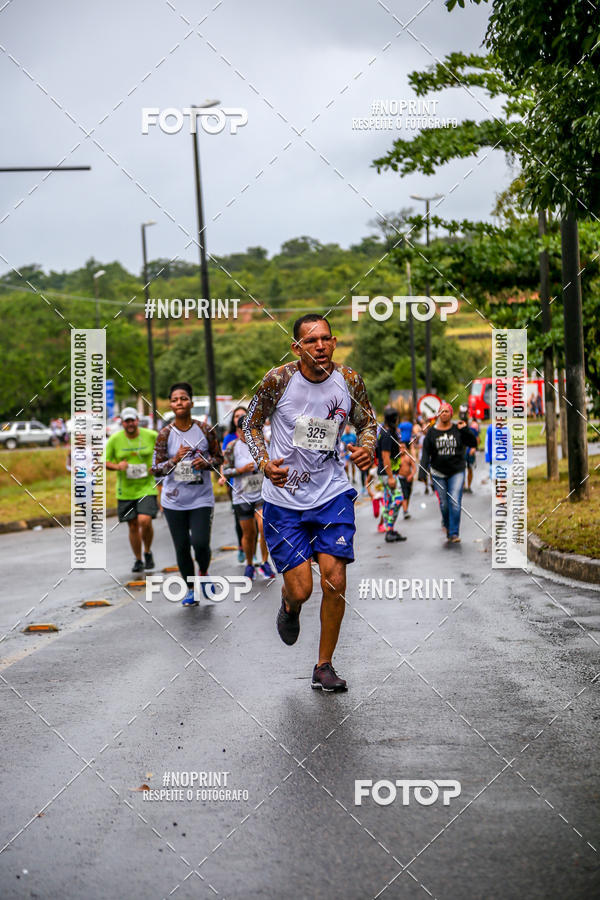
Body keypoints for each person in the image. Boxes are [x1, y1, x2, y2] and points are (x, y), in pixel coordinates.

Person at [244, 314, 376, 692]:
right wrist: (264, 462)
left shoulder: (348, 381)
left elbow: (367, 423)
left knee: (334, 580)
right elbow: (250, 424)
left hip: (331, 492)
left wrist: (366, 448)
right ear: (297, 347)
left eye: (326, 339)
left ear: (333, 343)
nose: (319, 346)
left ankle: (324, 665)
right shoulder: (278, 380)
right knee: (302, 588)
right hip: (284, 500)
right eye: (311, 340)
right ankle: (289, 605)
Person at [152, 383, 223, 605]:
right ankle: (191, 589)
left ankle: (203, 571)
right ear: (171, 405)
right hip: (174, 500)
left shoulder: (205, 430)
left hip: (201, 497)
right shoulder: (164, 434)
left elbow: (219, 458)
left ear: (191, 403)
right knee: (182, 546)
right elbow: (155, 468)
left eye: (183, 398)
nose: (179, 403)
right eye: (174, 400)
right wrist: (174, 460)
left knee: (201, 543)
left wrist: (206, 462)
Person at [103, 408, 159, 573]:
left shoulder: (151, 435)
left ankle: (147, 551)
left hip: (146, 486)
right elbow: (105, 461)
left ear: (137, 421)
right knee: (133, 526)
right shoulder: (114, 439)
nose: (130, 424)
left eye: (132, 420)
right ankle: (138, 559)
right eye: (126, 421)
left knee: (145, 521)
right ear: (122, 422)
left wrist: (157, 466)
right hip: (125, 490)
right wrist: (117, 466)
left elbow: (164, 451)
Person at [222, 416, 275, 580]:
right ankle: (250, 564)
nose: (247, 434)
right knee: (249, 533)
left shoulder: (262, 444)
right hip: (242, 496)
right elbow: (225, 471)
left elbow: (272, 463)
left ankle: (265, 563)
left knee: (263, 526)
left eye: (250, 430)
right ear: (238, 431)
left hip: (261, 494)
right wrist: (241, 469)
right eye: (243, 431)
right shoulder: (232, 447)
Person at [420, 402, 477, 543]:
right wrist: (422, 474)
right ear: (438, 414)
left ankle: (453, 533)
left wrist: (465, 430)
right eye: (441, 411)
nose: (444, 413)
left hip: (456, 471)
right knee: (444, 504)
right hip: (438, 473)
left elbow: (473, 443)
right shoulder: (432, 433)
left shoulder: (458, 429)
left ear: (451, 414)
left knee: (455, 502)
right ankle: (446, 524)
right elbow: (426, 454)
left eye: (446, 411)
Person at [375, 406, 407, 542]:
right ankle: (389, 528)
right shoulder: (387, 434)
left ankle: (390, 531)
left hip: (387, 472)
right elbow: (385, 456)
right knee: (398, 499)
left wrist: (400, 451)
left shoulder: (385, 432)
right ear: (394, 419)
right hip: (388, 473)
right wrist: (390, 477)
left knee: (388, 502)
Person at [221, 405, 248, 563]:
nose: (239, 418)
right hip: (236, 484)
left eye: (242, 415)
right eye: (236, 416)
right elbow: (225, 462)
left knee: (258, 522)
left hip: (256, 486)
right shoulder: (230, 439)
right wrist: (222, 477)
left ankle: (252, 549)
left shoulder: (255, 436)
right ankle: (242, 547)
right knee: (241, 520)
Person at [398, 440, 417, 519]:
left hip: (409, 478)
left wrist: (411, 475)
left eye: (403, 448)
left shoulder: (408, 457)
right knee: (404, 495)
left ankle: (406, 509)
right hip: (400, 478)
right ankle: (405, 511)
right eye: (400, 448)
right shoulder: (397, 458)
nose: (402, 449)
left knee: (408, 494)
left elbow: (414, 468)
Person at [464, 417, 480, 493]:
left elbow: (477, 440)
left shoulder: (472, 430)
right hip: (462, 453)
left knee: (470, 469)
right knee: (461, 470)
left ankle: (469, 486)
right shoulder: (457, 430)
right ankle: (463, 486)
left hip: (470, 452)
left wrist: (474, 448)